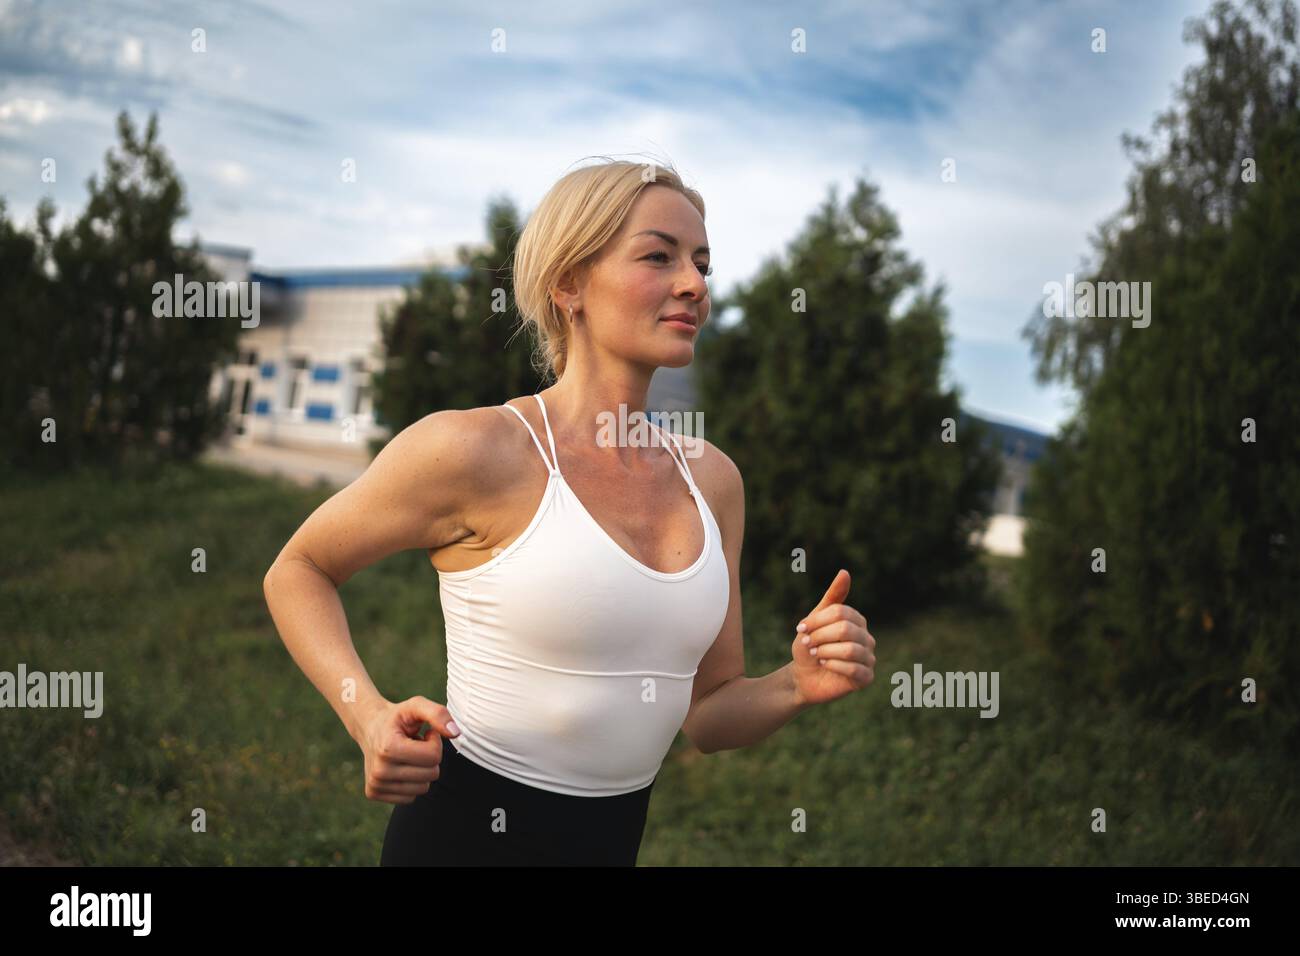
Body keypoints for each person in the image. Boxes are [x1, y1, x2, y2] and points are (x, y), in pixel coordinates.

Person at [262, 157, 877, 866]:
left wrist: (796, 684)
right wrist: (367, 716)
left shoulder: (714, 480)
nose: (695, 285)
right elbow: (300, 568)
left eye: (704, 263)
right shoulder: (475, 449)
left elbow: (708, 713)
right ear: (570, 283)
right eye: (660, 255)